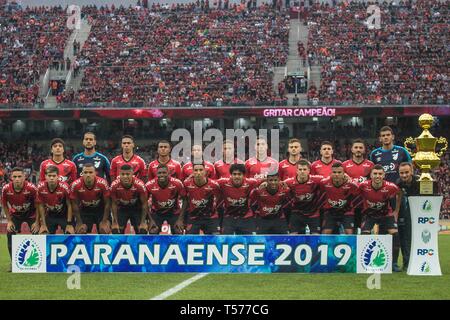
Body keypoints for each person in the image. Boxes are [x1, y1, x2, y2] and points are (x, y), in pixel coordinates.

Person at [359, 165, 402, 272]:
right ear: (370, 175)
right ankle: (364, 262)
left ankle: (394, 263)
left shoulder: (391, 186)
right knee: (364, 234)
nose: (377, 176)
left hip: (385, 214)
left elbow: (399, 193)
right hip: (369, 214)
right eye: (375, 174)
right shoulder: (363, 186)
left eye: (380, 174)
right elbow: (354, 191)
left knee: (395, 234)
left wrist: (396, 211)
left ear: (384, 175)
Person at [2, 167, 39, 259]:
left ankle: (38, 261)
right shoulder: (6, 189)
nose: (17, 179)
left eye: (19, 176)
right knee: (10, 233)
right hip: (15, 215)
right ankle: (13, 262)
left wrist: (37, 222)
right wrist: (9, 221)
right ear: (11, 177)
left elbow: (39, 205)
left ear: (24, 177)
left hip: (31, 214)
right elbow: (5, 205)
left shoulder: (32, 188)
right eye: (15, 176)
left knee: (37, 233)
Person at [176, 162, 221, 234]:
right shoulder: (186, 184)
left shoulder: (214, 185)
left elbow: (219, 199)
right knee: (190, 241)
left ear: (205, 172)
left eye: (201, 170)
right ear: (193, 172)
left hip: (210, 218)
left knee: (215, 241)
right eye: (196, 170)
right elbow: (185, 201)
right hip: (193, 218)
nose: (198, 172)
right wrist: (181, 219)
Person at [110, 164, 156, 234]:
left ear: (132, 174)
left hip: (137, 209)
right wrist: (115, 221)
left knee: (142, 230)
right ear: (119, 175)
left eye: (128, 174)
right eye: (123, 174)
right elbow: (114, 204)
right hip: (122, 209)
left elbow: (144, 204)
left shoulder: (140, 185)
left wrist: (143, 222)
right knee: (116, 230)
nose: (125, 176)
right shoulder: (114, 185)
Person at [343, 138, 374, 234]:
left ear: (364, 150)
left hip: (365, 205)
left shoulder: (370, 165)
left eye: (361, 147)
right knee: (350, 233)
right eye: (356, 147)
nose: (358, 149)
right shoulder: (344, 165)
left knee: (366, 233)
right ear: (351, 149)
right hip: (350, 205)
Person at [70, 163, 111, 234]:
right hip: (85, 211)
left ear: (95, 173)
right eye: (85, 172)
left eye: (90, 172)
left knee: (104, 230)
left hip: (100, 211)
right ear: (82, 173)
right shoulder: (75, 185)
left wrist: (104, 221)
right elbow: (74, 205)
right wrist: (79, 222)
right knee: (81, 231)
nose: (88, 175)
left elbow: (107, 203)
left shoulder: (103, 183)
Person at [145, 164, 186, 234]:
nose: (162, 175)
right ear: (156, 174)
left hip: (174, 212)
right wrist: (150, 220)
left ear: (169, 173)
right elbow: (144, 203)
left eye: (164, 173)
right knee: (153, 232)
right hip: (157, 213)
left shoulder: (177, 183)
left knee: (178, 231)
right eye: (159, 173)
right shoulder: (149, 185)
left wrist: (180, 219)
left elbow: (185, 200)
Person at [217, 164, 258, 234]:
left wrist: (266, 182)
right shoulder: (223, 182)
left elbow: (263, 181)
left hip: (246, 218)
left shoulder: (251, 182)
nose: (237, 177)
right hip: (228, 217)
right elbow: (209, 182)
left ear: (244, 175)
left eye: (239, 174)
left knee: (250, 241)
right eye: (234, 174)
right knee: (226, 240)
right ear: (231, 175)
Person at [319, 163, 359, 235]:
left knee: (349, 233)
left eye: (339, 172)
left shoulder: (351, 184)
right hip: (330, 211)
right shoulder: (324, 183)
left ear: (344, 173)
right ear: (331, 173)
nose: (336, 174)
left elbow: (359, 189)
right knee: (326, 233)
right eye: (334, 172)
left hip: (347, 211)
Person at [284, 160, 322, 234]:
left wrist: (346, 177)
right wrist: (265, 182)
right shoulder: (288, 182)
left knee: (316, 236)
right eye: (300, 169)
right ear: (297, 171)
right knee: (293, 236)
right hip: (297, 213)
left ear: (309, 171)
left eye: (304, 169)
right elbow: (276, 184)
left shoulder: (316, 180)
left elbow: (329, 179)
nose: (302, 171)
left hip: (313, 213)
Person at [36, 166, 73, 234]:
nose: (51, 178)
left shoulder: (65, 187)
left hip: (64, 216)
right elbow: (40, 206)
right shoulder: (40, 187)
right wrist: (43, 224)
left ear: (58, 176)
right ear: (45, 176)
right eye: (49, 176)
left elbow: (69, 205)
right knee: (43, 234)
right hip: (50, 215)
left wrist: (69, 223)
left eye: (54, 176)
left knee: (70, 234)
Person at [396, 162, 419, 271]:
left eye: (406, 172)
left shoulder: (420, 181)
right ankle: (406, 264)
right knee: (403, 239)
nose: (404, 175)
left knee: (414, 238)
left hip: (418, 215)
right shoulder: (399, 183)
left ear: (412, 172)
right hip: (404, 214)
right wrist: (396, 212)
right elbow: (398, 198)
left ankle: (416, 262)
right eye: (401, 173)